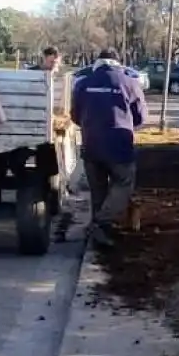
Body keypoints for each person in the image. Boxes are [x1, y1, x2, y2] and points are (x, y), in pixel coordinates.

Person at [70, 47, 148, 247]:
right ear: (118, 62)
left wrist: (90, 126)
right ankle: (101, 224)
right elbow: (140, 117)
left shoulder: (83, 83)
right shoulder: (129, 83)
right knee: (124, 183)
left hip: (91, 143)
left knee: (98, 190)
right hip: (119, 144)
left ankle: (99, 233)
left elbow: (75, 115)